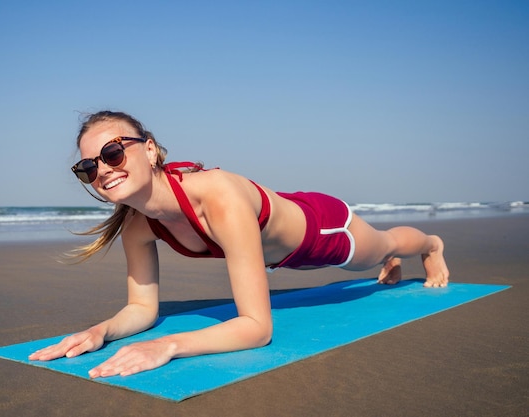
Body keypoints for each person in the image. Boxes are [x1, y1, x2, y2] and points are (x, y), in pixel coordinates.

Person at [29, 111, 449, 377]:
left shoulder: (218, 197)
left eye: (113, 152)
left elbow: (258, 328)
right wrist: (101, 332)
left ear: (150, 150)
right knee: (376, 257)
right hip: (277, 254)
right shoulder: (138, 226)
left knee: (378, 249)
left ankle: (431, 244)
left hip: (322, 233)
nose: (103, 169)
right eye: (89, 166)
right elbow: (141, 308)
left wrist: (169, 344)